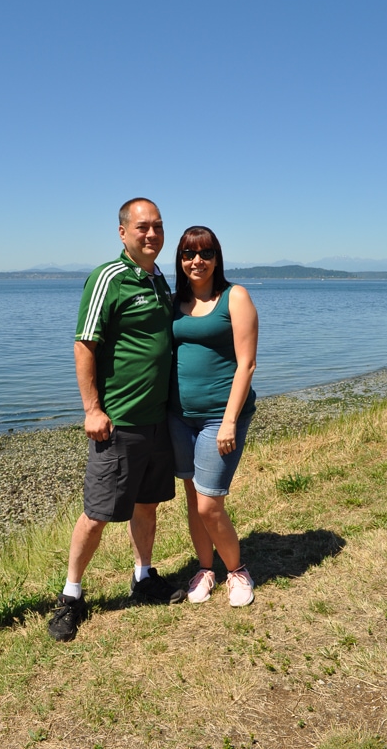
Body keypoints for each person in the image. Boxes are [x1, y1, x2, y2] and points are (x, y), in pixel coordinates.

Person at [48, 198, 186, 642]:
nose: (152, 234)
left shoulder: (159, 277)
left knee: (147, 503)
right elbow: (85, 344)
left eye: (158, 227)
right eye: (143, 227)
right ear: (123, 233)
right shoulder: (108, 277)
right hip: (118, 420)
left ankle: (143, 576)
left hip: (157, 419)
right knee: (98, 511)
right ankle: (71, 596)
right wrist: (92, 409)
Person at [168, 226, 259, 607]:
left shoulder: (234, 297)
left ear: (217, 258)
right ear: (181, 261)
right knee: (192, 495)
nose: (197, 261)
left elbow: (247, 364)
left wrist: (228, 421)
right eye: (189, 255)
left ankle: (237, 571)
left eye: (205, 254)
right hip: (178, 416)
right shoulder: (175, 301)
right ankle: (206, 569)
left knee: (210, 502)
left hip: (218, 419)